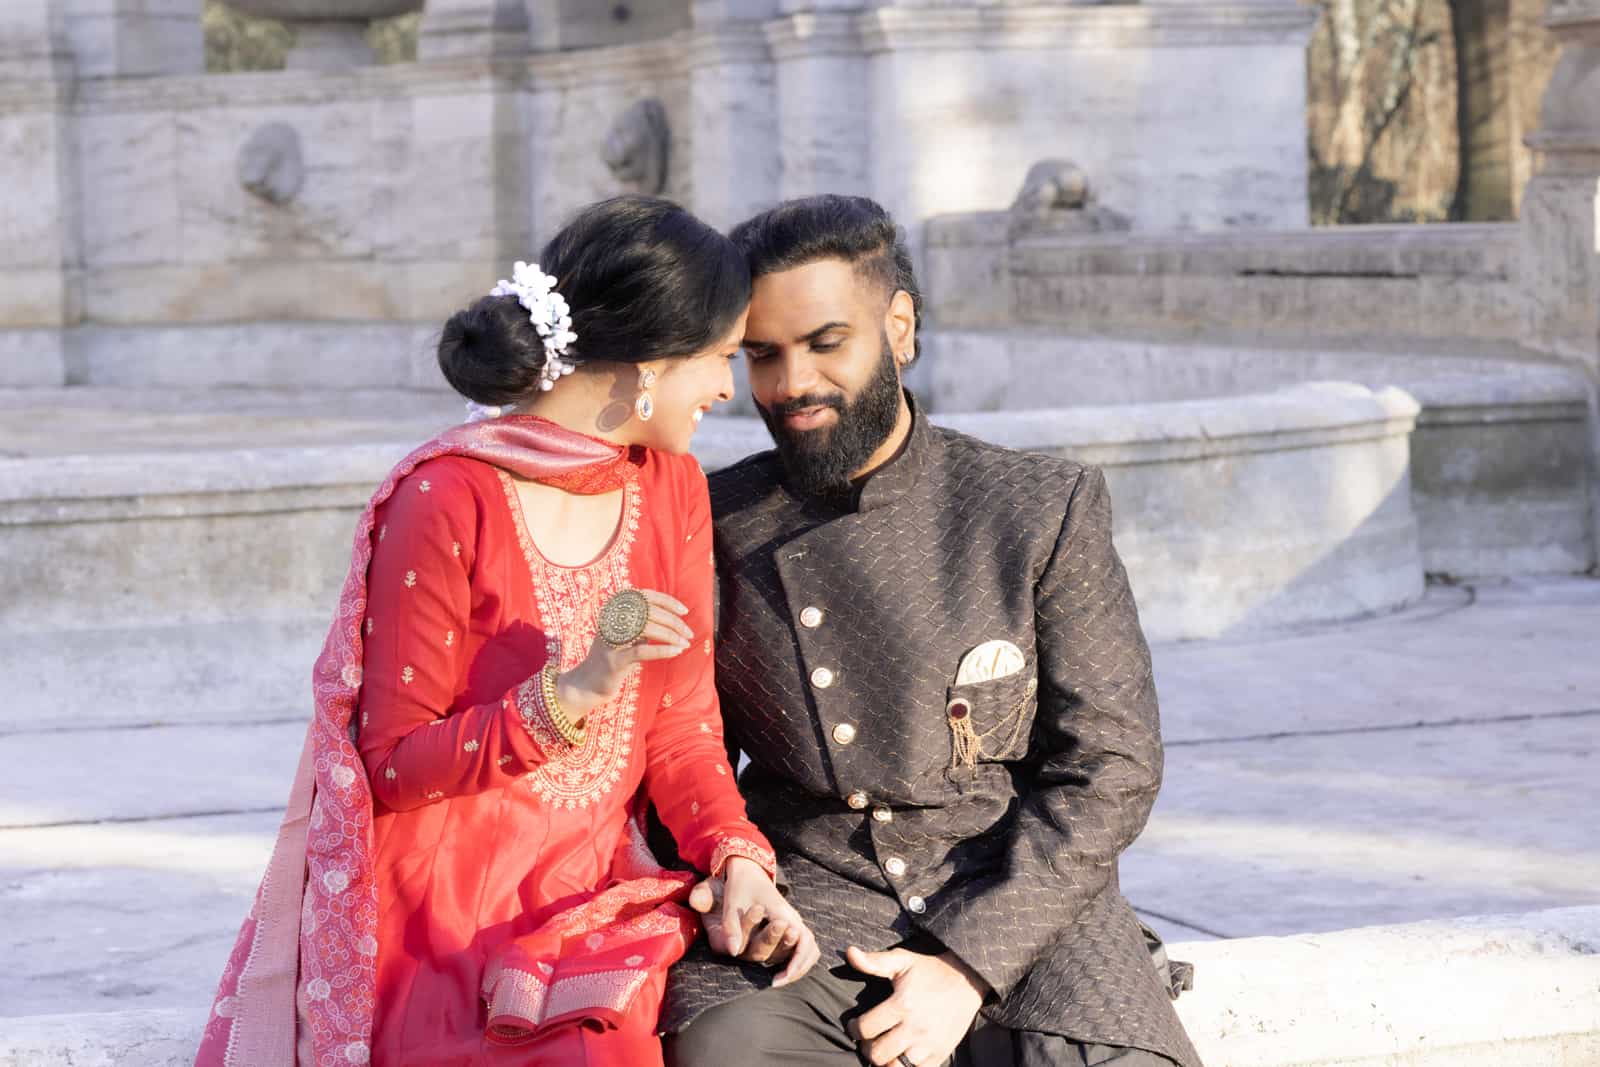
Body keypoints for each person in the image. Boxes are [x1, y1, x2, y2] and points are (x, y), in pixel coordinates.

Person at [195, 195, 818, 1067]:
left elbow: (682, 726)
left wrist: (736, 857)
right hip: (446, 909)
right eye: (720, 357)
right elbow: (390, 765)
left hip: (596, 888)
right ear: (652, 360)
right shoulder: (446, 497)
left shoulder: (669, 484)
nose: (727, 388)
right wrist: (571, 692)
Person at [662, 195, 1203, 1067]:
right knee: (722, 1048)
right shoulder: (708, 518)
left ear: (900, 327)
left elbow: (1112, 765)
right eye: (763, 354)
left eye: (826, 342)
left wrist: (966, 966)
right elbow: (676, 751)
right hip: (810, 901)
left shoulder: (1037, 507)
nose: (792, 382)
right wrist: (731, 873)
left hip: (1021, 893)